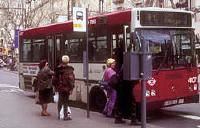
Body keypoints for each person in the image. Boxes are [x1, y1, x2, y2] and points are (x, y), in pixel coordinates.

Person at [53, 55, 75, 120]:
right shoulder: (70, 69)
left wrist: (55, 86)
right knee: (66, 102)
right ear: (68, 61)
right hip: (67, 88)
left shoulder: (58, 69)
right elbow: (72, 80)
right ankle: (65, 116)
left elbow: (54, 80)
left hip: (60, 87)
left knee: (60, 101)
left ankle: (59, 115)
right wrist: (71, 88)